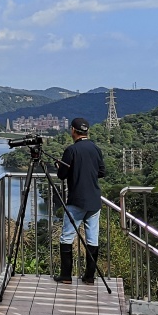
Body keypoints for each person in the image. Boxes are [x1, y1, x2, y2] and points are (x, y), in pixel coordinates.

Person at [54, 117, 106, 285]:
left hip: (76, 200)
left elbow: (62, 175)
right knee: (92, 239)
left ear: (73, 131)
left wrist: (61, 168)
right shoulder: (96, 149)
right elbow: (102, 172)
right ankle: (89, 277)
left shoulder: (71, 150)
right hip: (94, 200)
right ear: (87, 131)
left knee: (67, 237)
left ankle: (66, 276)